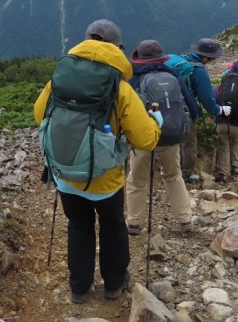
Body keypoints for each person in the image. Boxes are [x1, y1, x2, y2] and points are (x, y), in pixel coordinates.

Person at [34, 19, 161, 304]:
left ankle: (79, 288)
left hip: (66, 175)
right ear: (118, 48)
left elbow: (39, 113)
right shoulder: (120, 87)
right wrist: (155, 122)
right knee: (113, 224)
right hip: (104, 179)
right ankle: (114, 284)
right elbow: (145, 140)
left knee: (78, 225)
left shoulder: (60, 78)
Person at [125, 40, 198, 234]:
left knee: (137, 180)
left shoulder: (134, 79)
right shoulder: (173, 76)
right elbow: (191, 107)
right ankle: (185, 220)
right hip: (171, 136)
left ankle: (134, 222)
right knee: (173, 176)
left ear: (139, 60)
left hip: (143, 138)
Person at [179, 38, 231, 183]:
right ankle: (185, 174)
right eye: (212, 58)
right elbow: (206, 98)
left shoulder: (182, 61)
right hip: (185, 109)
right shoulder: (199, 70)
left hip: (167, 106)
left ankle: (167, 168)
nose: (212, 61)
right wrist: (218, 110)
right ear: (206, 57)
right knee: (189, 143)